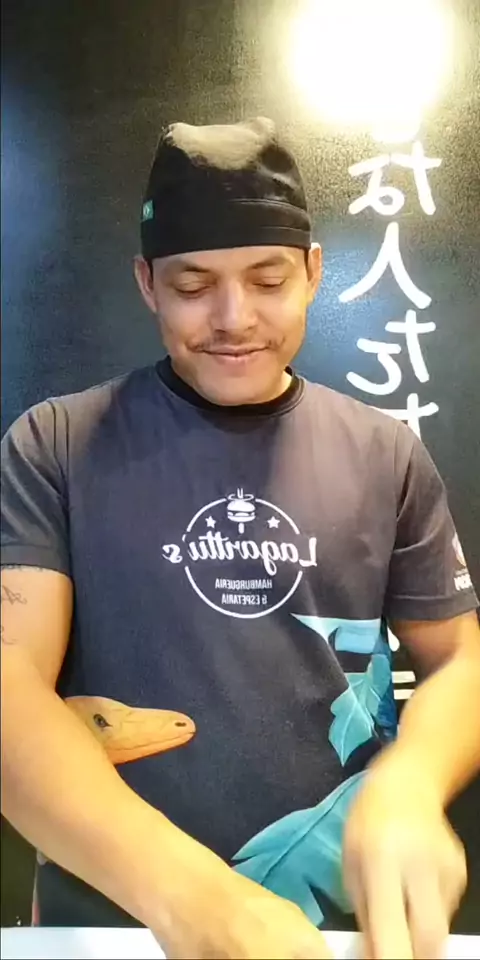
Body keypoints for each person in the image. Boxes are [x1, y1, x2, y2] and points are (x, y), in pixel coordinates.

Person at [1, 116, 479, 960]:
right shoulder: (55, 445)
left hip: (340, 933)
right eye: (193, 286)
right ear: (147, 284)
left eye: (267, 280)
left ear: (314, 273)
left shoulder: (385, 453)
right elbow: (10, 692)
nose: (234, 318)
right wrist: (191, 897)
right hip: (113, 929)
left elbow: (460, 662)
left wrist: (412, 781)